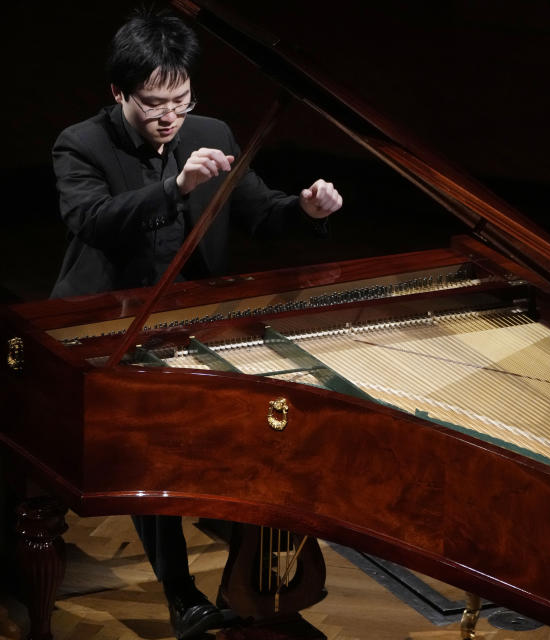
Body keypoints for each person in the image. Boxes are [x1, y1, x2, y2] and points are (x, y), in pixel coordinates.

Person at [50, 8, 343, 639]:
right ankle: (181, 594)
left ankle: (254, 577)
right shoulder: (81, 144)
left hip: (193, 322)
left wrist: (306, 208)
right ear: (119, 92)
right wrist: (174, 188)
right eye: (154, 104)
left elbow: (262, 211)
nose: (169, 117)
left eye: (179, 101)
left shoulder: (210, 129)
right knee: (149, 456)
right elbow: (93, 220)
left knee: (238, 437)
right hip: (109, 324)